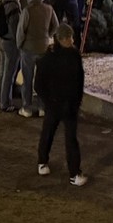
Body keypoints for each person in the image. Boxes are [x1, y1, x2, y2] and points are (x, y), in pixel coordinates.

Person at [35, 23, 87, 185]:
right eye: (68, 37)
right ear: (61, 39)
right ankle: (42, 161)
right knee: (48, 133)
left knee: (70, 139)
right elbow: (39, 84)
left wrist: (77, 100)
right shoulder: (49, 57)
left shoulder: (74, 55)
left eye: (72, 37)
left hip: (70, 105)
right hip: (55, 105)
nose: (71, 40)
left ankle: (74, 173)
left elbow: (80, 79)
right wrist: (49, 101)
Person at [15, 0, 59, 118]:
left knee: (27, 80)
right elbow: (56, 26)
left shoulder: (27, 11)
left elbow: (21, 31)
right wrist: (48, 35)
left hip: (28, 49)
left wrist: (20, 45)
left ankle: (27, 107)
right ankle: (42, 107)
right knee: (42, 80)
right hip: (43, 48)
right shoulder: (49, 9)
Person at [0, 0, 23, 111]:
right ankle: (6, 103)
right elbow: (17, 29)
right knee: (9, 75)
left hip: (2, 41)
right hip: (11, 43)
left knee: (2, 72)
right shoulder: (14, 7)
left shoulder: (1, 3)